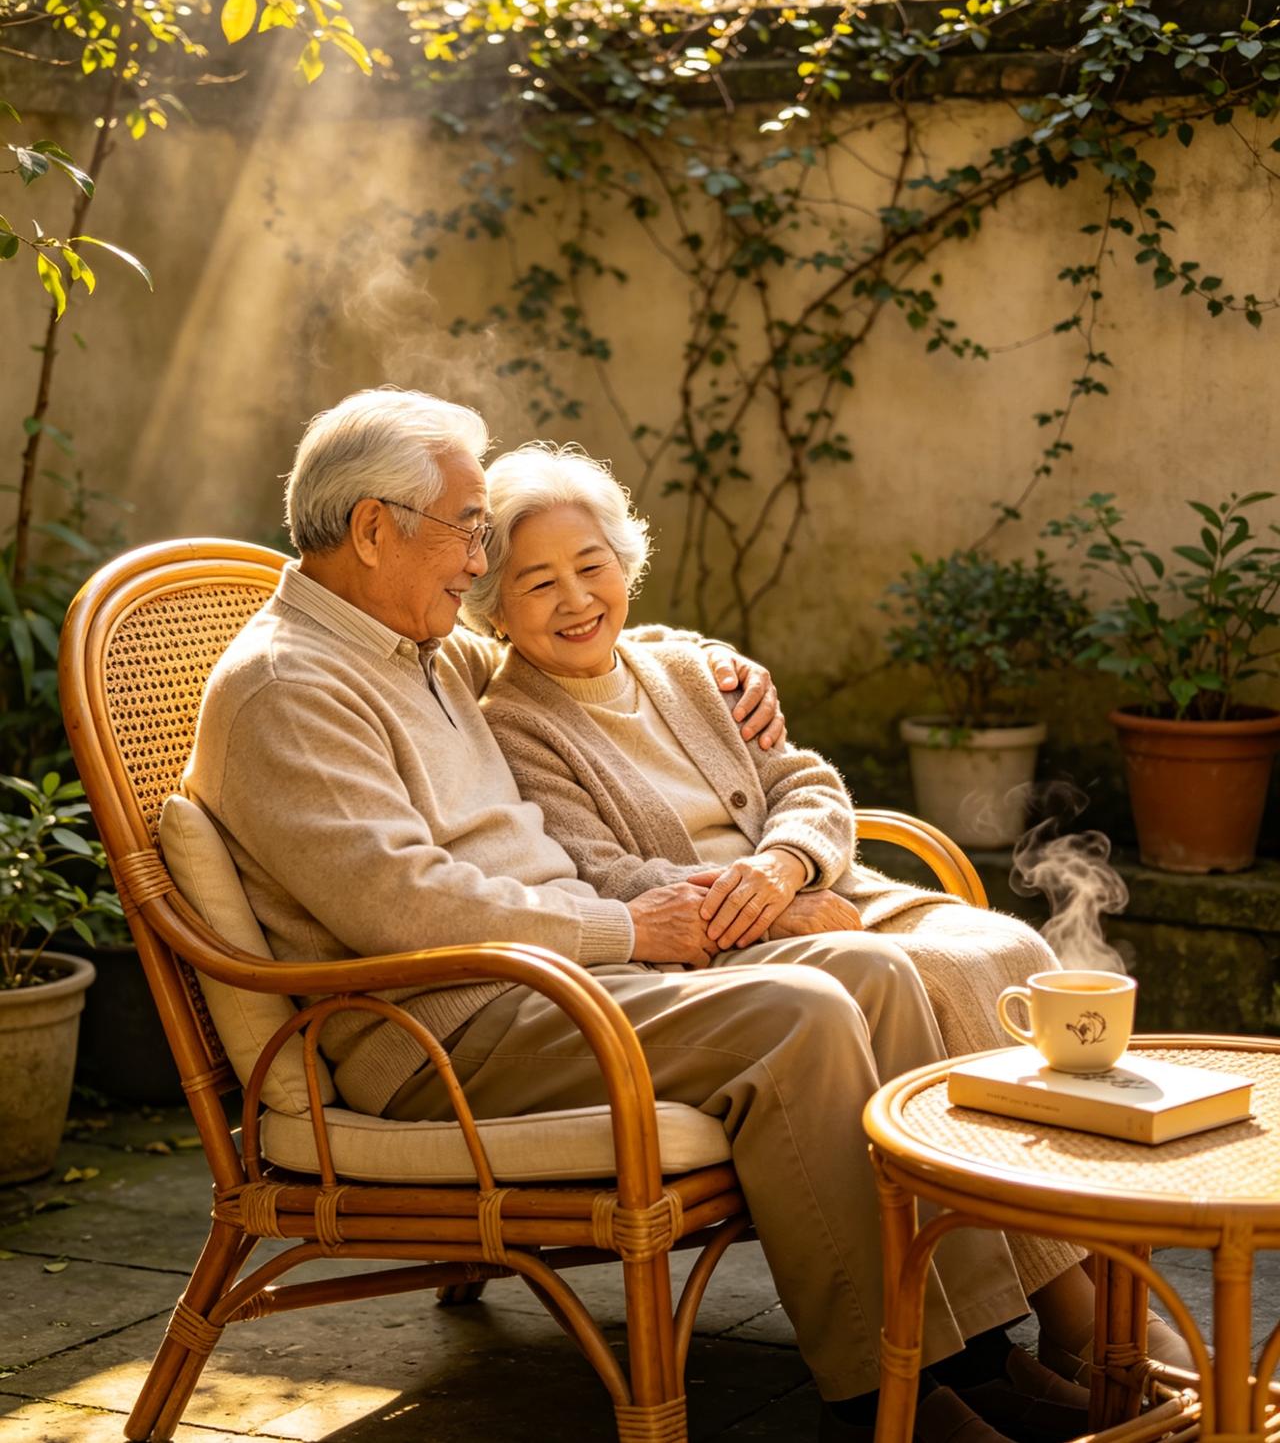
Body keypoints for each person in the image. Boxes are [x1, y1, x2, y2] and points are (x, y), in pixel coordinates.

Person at [183, 388, 1078, 1443]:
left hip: (549, 986)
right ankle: (887, 1403)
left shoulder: (413, 645)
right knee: (797, 1015)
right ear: (375, 529)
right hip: (447, 1028)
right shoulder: (290, 688)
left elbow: (576, 643)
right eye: (466, 529)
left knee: (874, 975)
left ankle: (974, 1357)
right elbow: (403, 904)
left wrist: (710, 663)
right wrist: (629, 931)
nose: (476, 560)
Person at [463, 440, 1190, 1413]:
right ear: (494, 607)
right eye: (537, 582)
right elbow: (602, 871)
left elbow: (804, 783)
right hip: (714, 934)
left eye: (590, 565)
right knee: (923, 978)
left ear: (624, 562)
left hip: (814, 884)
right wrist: (762, 900)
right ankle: (1073, 1313)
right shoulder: (513, 722)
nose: (574, 598)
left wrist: (788, 862)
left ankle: (1064, 1291)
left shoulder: (686, 667)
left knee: (1009, 950)